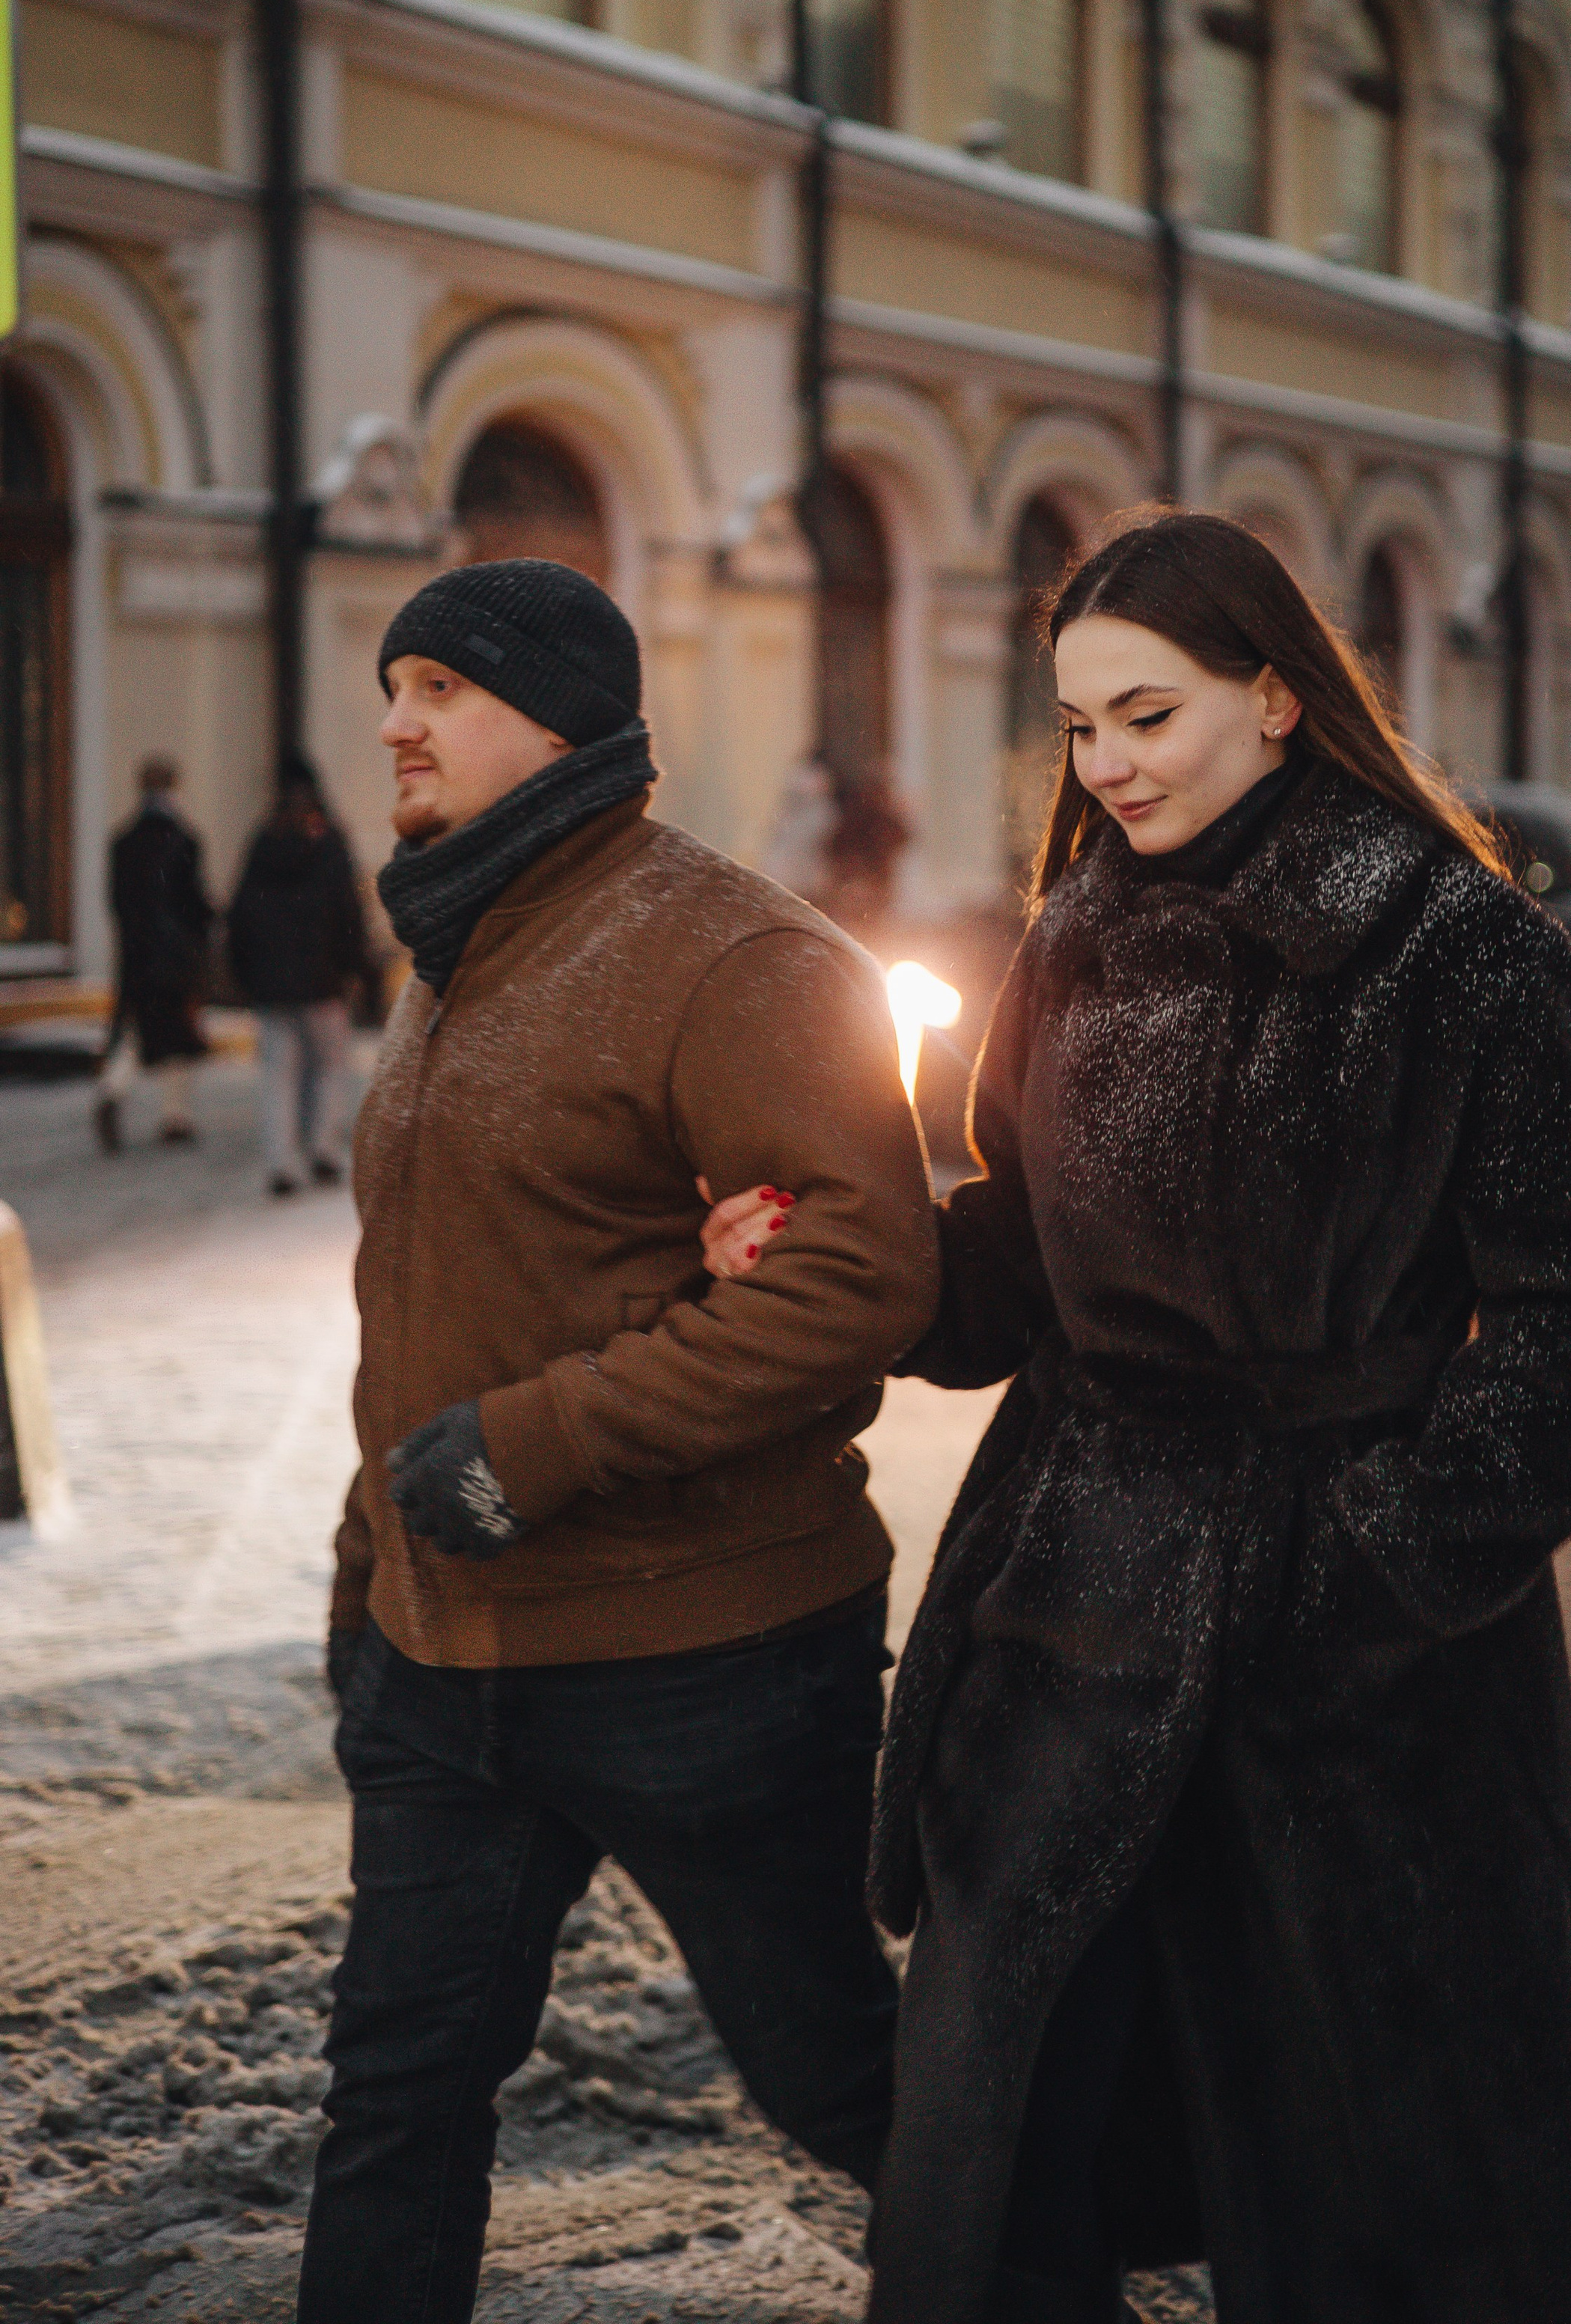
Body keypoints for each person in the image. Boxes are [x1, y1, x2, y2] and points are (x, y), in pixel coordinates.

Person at [699, 511, 1571, 2324]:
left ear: (1277, 696)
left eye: (1144, 714)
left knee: (1396, 2187)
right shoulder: (1076, 932)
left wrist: (1368, 1570)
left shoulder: (1456, 951)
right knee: (1005, 2153)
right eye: (1078, 727)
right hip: (1065, 1627)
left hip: (1359, 1696)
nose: (1108, 766)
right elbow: (1019, 1261)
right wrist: (854, 1251)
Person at [301, 557, 939, 2324]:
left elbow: (862, 1270)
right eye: (395, 682)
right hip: (445, 1666)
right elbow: (437, 1291)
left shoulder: (732, 952)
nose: (392, 720)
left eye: (435, 685)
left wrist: (542, 1442)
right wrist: (373, 1573)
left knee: (841, 2080)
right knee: (396, 2095)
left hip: (703, 1662)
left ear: (555, 717)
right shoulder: (462, 941)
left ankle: (1050, 2265)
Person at [227, 756, 374, 1195]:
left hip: (273, 983)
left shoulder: (262, 845)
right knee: (329, 1068)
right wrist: (355, 966)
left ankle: (282, 1161)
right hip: (323, 978)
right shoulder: (331, 844)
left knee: (278, 1075)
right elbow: (349, 910)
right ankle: (324, 1151)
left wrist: (246, 971)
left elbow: (240, 915)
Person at [94, 754, 215, 1152]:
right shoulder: (184, 839)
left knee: (132, 1028)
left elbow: (117, 901)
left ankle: (113, 1089)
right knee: (177, 1034)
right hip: (175, 954)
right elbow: (194, 903)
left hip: (136, 952)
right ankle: (175, 1117)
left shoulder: (123, 841)